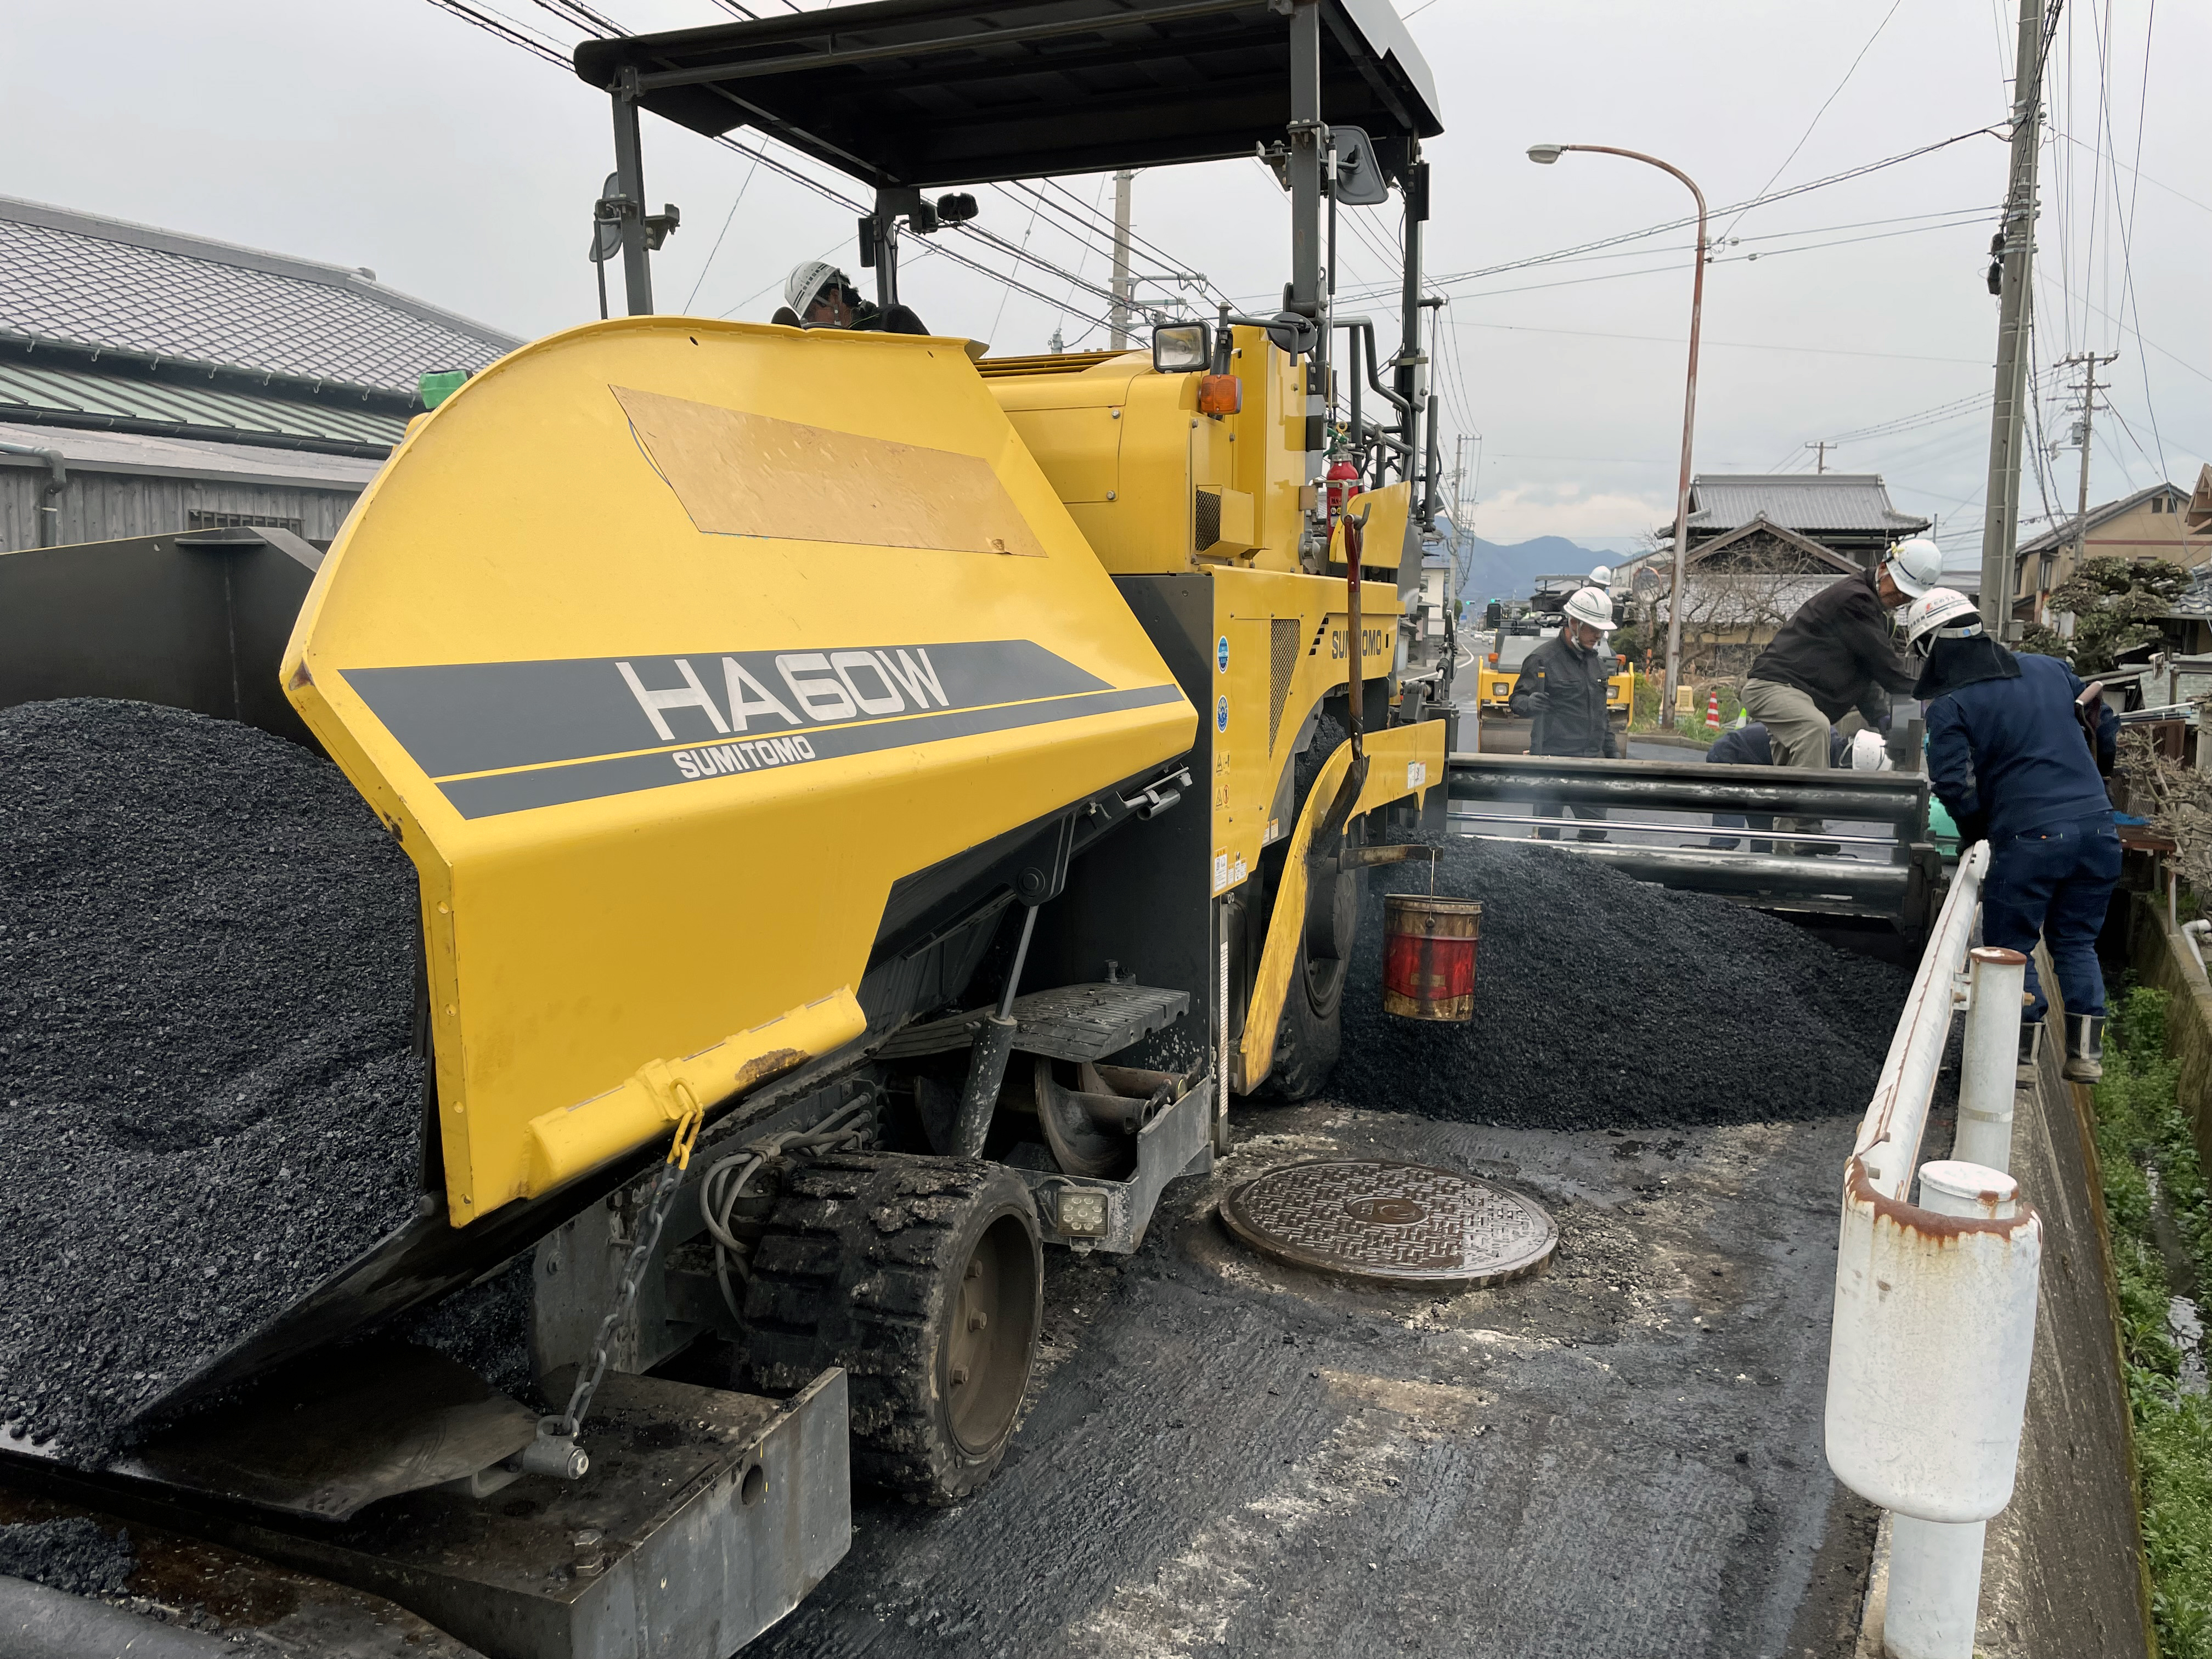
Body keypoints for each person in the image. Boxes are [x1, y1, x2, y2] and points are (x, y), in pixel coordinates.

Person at [1906, 587, 2120, 1081]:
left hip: (2030, 839)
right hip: (2099, 831)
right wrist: (2095, 779)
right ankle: (2086, 1054)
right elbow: (2103, 725)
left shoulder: (1951, 703)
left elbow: (1953, 784)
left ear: (1930, 647)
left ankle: (2019, 1061)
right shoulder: (2051, 668)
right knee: (2076, 942)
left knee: (2012, 949)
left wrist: (1978, 831)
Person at [1738, 536, 1939, 849]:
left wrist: (1882, 717)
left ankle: (1782, 862)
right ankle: (1807, 828)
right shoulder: (1855, 600)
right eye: (1897, 588)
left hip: (1799, 696)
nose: (1899, 597)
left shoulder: (1876, 614)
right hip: (1773, 686)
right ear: (1884, 568)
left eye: (1907, 595)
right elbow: (1884, 665)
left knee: (1791, 781)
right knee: (1814, 730)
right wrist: (1927, 695)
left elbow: (1866, 674)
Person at [1509, 585, 1620, 841]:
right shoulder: (1542, 659)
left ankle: (1582, 878)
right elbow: (1516, 700)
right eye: (1593, 628)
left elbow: (1602, 715)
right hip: (1552, 762)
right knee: (1547, 838)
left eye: (1602, 629)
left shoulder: (1597, 663)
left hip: (1590, 763)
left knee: (1596, 832)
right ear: (1574, 623)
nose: (1599, 635)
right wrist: (1529, 704)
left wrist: (1612, 754)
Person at [1703, 723, 1889, 850]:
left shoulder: (1831, 751)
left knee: (1767, 841)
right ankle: (1711, 885)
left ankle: (1760, 888)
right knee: (1727, 835)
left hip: (1760, 770)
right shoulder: (1817, 752)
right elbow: (1797, 798)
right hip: (1730, 758)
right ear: (1850, 765)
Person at [774, 260, 929, 335]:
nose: (810, 322)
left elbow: (929, 362)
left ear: (834, 297)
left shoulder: (893, 319)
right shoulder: (822, 347)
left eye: (812, 313)